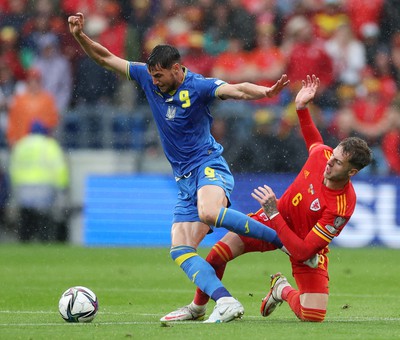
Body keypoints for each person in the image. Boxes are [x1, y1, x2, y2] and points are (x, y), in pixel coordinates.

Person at [68, 12, 290, 323]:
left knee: (209, 212)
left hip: (209, 166)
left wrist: (265, 93)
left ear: (177, 69)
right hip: (184, 178)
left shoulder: (198, 87)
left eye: (159, 76)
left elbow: (235, 89)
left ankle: (284, 240)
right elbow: (106, 58)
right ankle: (224, 302)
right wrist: (80, 36)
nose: (154, 81)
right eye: (151, 76)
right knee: (180, 249)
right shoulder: (148, 77)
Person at [161, 75, 372, 323]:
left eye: (337, 162)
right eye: (332, 155)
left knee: (312, 316)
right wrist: (302, 108)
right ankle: (198, 307)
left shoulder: (341, 206)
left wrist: (273, 213)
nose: (329, 162)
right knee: (217, 255)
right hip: (273, 219)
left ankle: (280, 289)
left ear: (352, 172)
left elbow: (303, 250)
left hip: (303, 240)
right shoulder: (322, 156)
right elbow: (313, 140)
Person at [9, 120, 69, 242]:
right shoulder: (49, 145)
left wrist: (15, 186)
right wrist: (63, 186)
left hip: (24, 186)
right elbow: (59, 167)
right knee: (44, 216)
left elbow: (13, 167)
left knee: (26, 215)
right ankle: (44, 239)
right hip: (44, 185)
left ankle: (25, 240)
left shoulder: (21, 145)